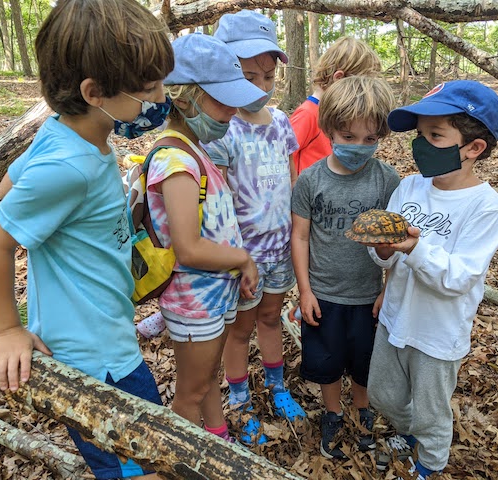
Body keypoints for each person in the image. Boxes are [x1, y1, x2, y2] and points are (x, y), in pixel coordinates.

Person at [0, 1, 174, 479]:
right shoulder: (71, 166)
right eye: (148, 89)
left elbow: (7, 187)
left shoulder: (63, 135)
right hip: (100, 362)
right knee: (143, 467)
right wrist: (6, 330)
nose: (161, 97)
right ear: (95, 92)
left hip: (102, 336)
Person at [365, 80, 498, 479]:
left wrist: (414, 246)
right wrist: (385, 251)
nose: (421, 145)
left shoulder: (483, 206)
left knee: (431, 409)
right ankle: (409, 433)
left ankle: (430, 461)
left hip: (437, 333)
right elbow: (382, 254)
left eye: (435, 135)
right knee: (383, 393)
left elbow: (459, 278)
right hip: (395, 318)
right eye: (420, 134)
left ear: (473, 148)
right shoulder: (410, 186)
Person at [146, 33, 263, 444]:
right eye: (221, 99)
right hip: (193, 303)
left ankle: (217, 436)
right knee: (190, 393)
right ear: (183, 97)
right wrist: (243, 259)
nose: (232, 110)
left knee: (207, 376)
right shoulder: (176, 161)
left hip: (211, 295)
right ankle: (175, 458)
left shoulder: (196, 151)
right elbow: (189, 247)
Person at [205, 9, 306, 444]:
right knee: (240, 328)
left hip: (280, 247)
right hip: (242, 254)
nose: (260, 87)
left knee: (270, 317)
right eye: (249, 75)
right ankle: (241, 396)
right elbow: (219, 199)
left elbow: (291, 178)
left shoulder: (281, 122)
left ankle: (277, 385)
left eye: (268, 77)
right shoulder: (223, 129)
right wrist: (234, 257)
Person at [290, 75, 400, 460]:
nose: (359, 147)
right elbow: (300, 237)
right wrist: (304, 290)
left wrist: (388, 289)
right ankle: (334, 414)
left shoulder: (387, 179)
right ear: (330, 129)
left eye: (370, 139)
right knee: (328, 361)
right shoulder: (310, 180)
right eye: (348, 136)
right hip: (325, 294)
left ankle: (363, 411)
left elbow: (395, 241)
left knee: (365, 362)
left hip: (368, 295)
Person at [285, 37, 383, 325]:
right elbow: (286, 152)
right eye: (361, 82)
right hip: (313, 205)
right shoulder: (308, 113)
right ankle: (305, 307)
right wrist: (296, 190)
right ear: (340, 79)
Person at [289, 36, 382, 176]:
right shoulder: (308, 114)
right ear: (339, 78)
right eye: (360, 88)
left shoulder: (342, 116)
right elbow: (285, 158)